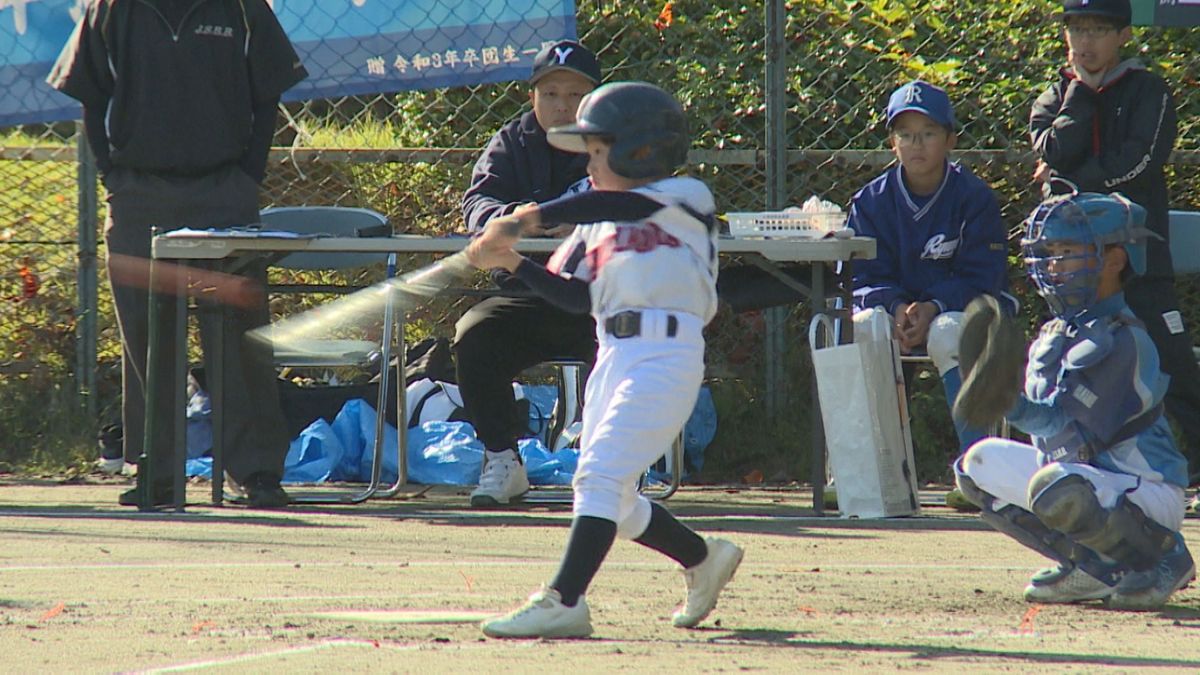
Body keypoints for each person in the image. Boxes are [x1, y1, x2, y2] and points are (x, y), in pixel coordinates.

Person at [465, 82, 743, 638]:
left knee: (599, 475)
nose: (588, 166)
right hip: (612, 355)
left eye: (596, 152)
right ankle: (700, 557)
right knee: (611, 496)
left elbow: (616, 202)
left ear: (639, 149)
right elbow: (574, 296)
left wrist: (522, 219)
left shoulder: (685, 196)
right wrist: (511, 259)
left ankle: (564, 599)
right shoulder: (595, 224)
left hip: (667, 353)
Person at [48, 0, 307, 507]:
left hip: (224, 192)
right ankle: (157, 472)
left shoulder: (242, 7)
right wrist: (113, 178)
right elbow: (89, 96)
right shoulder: (111, 10)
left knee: (241, 335)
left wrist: (246, 177)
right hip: (138, 195)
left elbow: (268, 91)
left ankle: (256, 472)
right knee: (148, 339)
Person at [954, 191, 1194, 610]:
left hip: (1147, 493)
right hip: (1086, 480)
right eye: (1050, 252)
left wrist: (1007, 401)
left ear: (1114, 260)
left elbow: (1073, 440)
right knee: (976, 466)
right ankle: (1094, 567)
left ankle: (1164, 557)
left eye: (1069, 251)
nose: (1053, 264)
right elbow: (1054, 447)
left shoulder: (1126, 340)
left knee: (1057, 485)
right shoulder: (1055, 334)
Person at [1031, 0, 1200, 484]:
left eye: (1099, 30)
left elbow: (1139, 163)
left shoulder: (1150, 90)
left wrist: (1071, 178)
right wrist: (1081, 98)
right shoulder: (1054, 96)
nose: (1086, 43)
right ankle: (1071, 465)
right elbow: (1054, 151)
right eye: (1077, 29)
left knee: (1173, 365)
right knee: (1067, 364)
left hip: (1142, 261)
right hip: (1075, 271)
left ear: (1124, 35)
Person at [455, 39, 601, 507]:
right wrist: (511, 217)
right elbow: (478, 201)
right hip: (527, 294)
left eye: (575, 95)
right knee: (474, 334)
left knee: (636, 338)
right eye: (550, 93)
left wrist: (579, 217)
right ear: (532, 96)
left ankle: (611, 467)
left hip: (602, 296)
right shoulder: (513, 140)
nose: (562, 105)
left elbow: (644, 203)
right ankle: (502, 458)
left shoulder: (615, 140)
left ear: (595, 98)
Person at [848, 80, 1014, 462]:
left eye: (928, 133)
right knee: (863, 326)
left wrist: (934, 306)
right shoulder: (871, 201)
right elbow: (861, 276)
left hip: (959, 313)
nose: (916, 144)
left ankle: (979, 467)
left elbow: (983, 279)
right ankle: (870, 470)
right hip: (898, 314)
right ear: (892, 143)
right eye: (904, 134)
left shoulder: (974, 197)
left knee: (947, 332)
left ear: (950, 140)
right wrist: (895, 307)